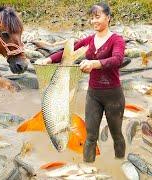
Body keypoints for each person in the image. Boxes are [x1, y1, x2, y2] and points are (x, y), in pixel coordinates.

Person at [35, 2, 126, 163]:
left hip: (113, 95)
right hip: (94, 95)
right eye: (92, 18)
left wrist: (94, 64)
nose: (94, 21)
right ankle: (87, 169)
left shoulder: (116, 40)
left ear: (108, 18)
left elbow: (117, 60)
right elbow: (67, 54)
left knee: (116, 134)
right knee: (90, 136)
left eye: (98, 17)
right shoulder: (89, 40)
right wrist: (48, 59)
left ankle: (120, 163)